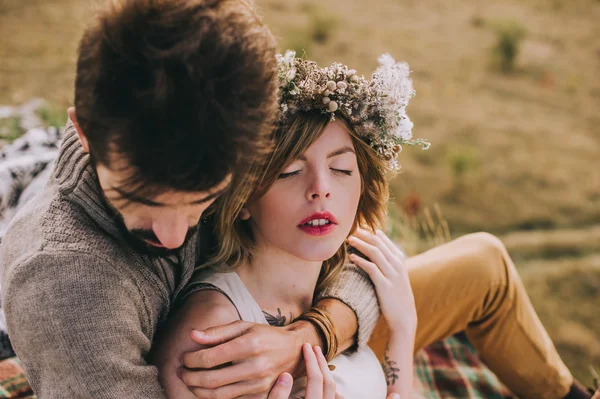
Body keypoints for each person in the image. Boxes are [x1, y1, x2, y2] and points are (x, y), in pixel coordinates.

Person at [155, 52, 596, 399]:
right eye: (290, 172)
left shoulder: (344, 268)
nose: (320, 190)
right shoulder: (214, 341)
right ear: (245, 199)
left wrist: (403, 329)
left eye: (342, 170)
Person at [0, 1, 380, 397]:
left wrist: (309, 336)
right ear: (85, 130)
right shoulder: (67, 291)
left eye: (204, 200)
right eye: (141, 197)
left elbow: (361, 256)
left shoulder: (214, 144)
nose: (172, 237)